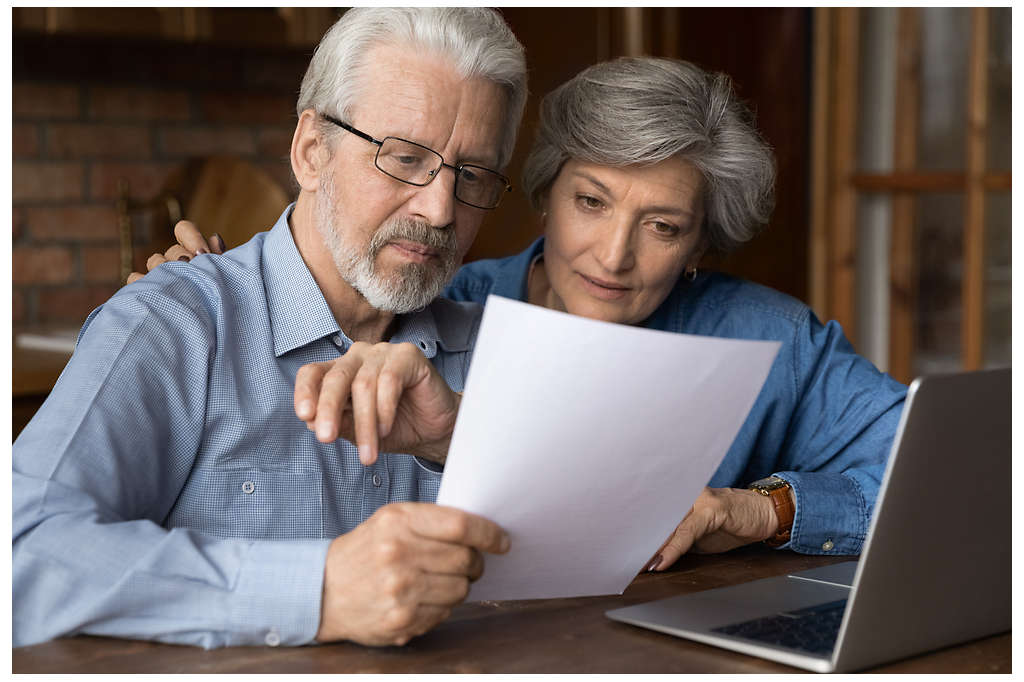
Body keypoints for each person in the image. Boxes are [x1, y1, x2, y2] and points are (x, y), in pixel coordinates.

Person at [158, 57, 907, 571]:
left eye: (663, 226)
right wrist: (223, 294)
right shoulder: (440, 306)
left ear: (700, 245)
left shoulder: (769, 337)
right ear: (545, 191)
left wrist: (759, 511)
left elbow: (950, 477)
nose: (614, 255)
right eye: (591, 202)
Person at [13, 7, 529, 649]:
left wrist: (465, 440)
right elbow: (22, 555)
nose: (439, 208)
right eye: (403, 158)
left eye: (472, 175)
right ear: (313, 152)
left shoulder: (504, 351)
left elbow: (607, 550)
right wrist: (320, 590)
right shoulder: (175, 326)